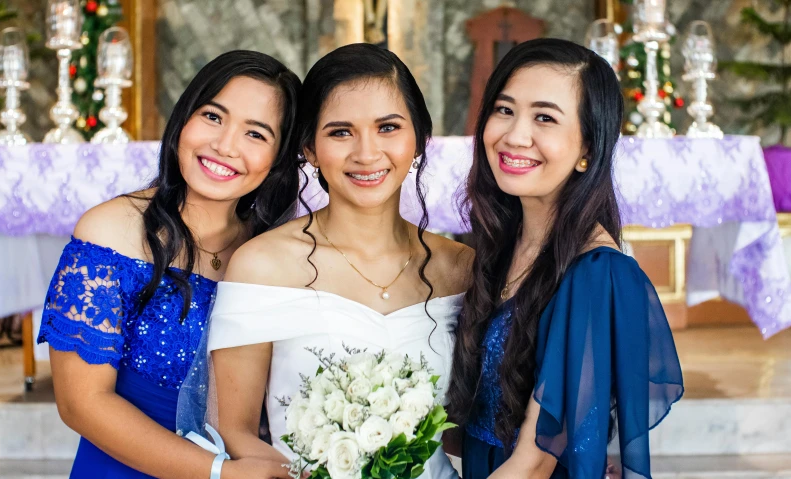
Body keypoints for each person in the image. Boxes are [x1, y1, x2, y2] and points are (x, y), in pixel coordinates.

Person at [203, 43, 472, 479]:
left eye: (388, 127)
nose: (366, 153)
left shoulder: (460, 267)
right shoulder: (263, 265)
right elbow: (234, 431)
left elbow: (471, 427)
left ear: (420, 139)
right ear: (309, 148)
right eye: (340, 132)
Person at [37, 50, 302, 479]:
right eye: (213, 117)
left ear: (278, 158)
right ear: (183, 118)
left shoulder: (272, 252)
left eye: (256, 134)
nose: (225, 145)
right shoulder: (110, 232)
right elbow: (81, 404)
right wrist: (220, 472)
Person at [446, 38, 684, 479]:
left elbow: (534, 461)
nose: (515, 135)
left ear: (588, 149)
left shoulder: (596, 274)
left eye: (544, 118)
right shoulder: (499, 247)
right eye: (504, 110)